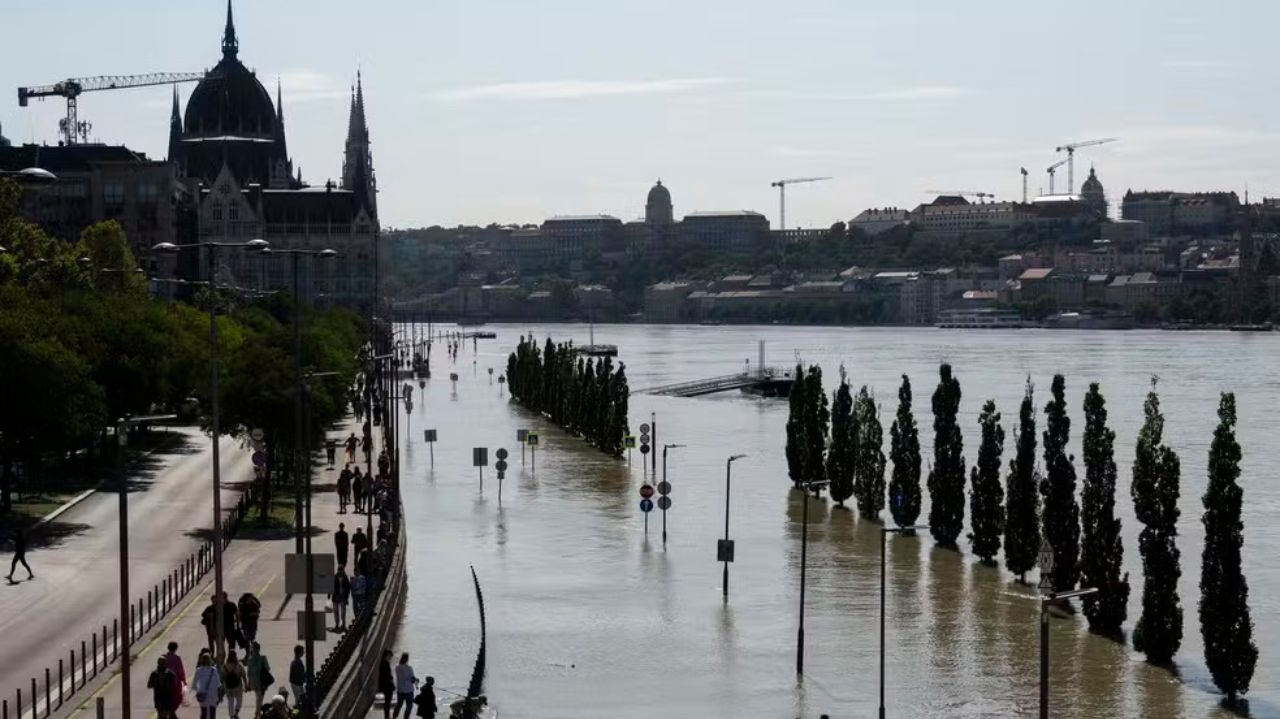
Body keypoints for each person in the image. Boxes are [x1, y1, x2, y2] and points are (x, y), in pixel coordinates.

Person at [191, 652, 222, 719]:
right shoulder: (214, 670)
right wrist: (219, 695)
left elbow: (195, 683)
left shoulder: (198, 670)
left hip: (202, 693)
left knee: (203, 711)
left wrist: (197, 691)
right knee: (212, 711)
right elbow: (218, 683)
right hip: (213, 694)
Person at [246, 642, 273, 717]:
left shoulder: (250, 660)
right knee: (259, 698)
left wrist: (248, 684)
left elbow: (249, 673)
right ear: (259, 649)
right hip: (262, 682)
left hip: (254, 683)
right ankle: (257, 713)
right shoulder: (263, 658)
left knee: (258, 697)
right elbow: (268, 668)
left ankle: (258, 712)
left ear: (252, 649)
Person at [222, 649, 248, 719]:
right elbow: (243, 676)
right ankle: (236, 712)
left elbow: (223, 677)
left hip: (228, 687)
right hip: (238, 687)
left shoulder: (225, 666)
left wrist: (223, 688)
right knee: (239, 701)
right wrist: (246, 685)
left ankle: (231, 716)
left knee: (230, 702)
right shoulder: (239, 665)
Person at [163, 642, 187, 711]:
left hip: (165, 683)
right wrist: (184, 680)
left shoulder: (164, 657)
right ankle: (172, 713)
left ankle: (170, 712)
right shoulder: (177, 658)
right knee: (176, 699)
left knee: (167, 700)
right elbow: (180, 670)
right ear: (176, 648)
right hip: (175, 683)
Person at [394, 653, 418, 719]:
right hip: (408, 690)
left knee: (399, 704)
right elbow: (412, 680)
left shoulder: (397, 667)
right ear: (407, 659)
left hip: (400, 690)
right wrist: (416, 680)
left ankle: (394, 717)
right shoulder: (409, 668)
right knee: (409, 705)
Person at [331, 565, 352, 631]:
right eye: (339, 570)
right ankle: (337, 624)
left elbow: (348, 588)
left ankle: (343, 624)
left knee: (343, 612)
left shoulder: (345, 578)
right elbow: (331, 586)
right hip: (336, 597)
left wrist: (346, 597)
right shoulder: (335, 577)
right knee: (336, 612)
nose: (340, 572)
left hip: (343, 597)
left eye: (341, 570)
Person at [377, 650, 395, 719]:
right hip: (387, 686)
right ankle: (387, 716)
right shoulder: (386, 663)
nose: (390, 658)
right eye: (390, 656)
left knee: (387, 701)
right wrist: (392, 679)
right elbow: (388, 675)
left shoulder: (382, 663)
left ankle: (387, 716)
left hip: (384, 685)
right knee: (388, 702)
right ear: (387, 655)